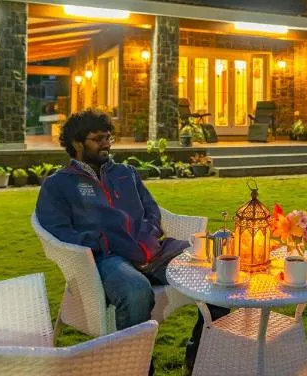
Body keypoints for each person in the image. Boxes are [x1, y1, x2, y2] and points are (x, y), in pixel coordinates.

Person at [35, 109, 229, 375]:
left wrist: (148, 233)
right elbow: (57, 229)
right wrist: (100, 242)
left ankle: (201, 356)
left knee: (217, 268)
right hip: (107, 258)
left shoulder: (125, 173)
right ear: (77, 143)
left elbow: (152, 211)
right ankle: (137, 369)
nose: (106, 144)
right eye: (97, 139)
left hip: (152, 250)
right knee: (136, 291)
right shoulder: (59, 184)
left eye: (108, 137)